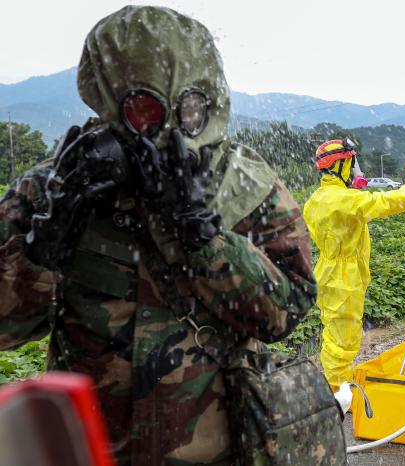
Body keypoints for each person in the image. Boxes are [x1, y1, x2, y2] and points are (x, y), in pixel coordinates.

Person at [0, 7, 317, 466]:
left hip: (220, 449)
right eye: (145, 110)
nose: (168, 127)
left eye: (188, 110)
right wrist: (42, 248)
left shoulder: (246, 188)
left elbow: (284, 315)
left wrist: (203, 235)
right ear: (109, 100)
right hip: (90, 449)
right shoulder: (53, 188)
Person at [303, 138, 405, 389]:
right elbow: (383, 202)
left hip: (328, 273)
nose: (355, 169)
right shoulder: (343, 201)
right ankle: (338, 395)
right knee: (342, 342)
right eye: (351, 163)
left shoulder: (318, 199)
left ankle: (333, 385)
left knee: (333, 336)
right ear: (339, 166)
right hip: (343, 279)